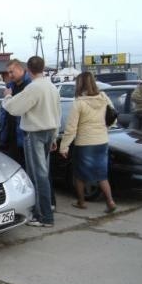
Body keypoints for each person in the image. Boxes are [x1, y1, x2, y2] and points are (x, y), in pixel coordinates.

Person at [2, 56, 61, 228]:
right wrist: (55, 135)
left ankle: (44, 217)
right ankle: (44, 208)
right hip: (49, 131)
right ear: (43, 68)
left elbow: (14, 109)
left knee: (37, 175)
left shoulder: (33, 88)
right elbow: (57, 113)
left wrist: (7, 97)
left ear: (28, 69)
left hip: (35, 133)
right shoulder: (51, 87)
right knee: (43, 173)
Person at [59, 72, 117, 213]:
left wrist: (64, 146)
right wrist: (104, 128)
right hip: (102, 141)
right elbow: (113, 117)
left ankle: (81, 201)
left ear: (79, 85)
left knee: (79, 174)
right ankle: (110, 201)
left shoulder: (79, 103)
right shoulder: (104, 98)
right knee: (101, 174)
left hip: (85, 143)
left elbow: (71, 128)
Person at [0, 59, 32, 167]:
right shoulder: (10, 87)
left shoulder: (31, 86)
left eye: (11, 72)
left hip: (26, 138)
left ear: (21, 69)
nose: (9, 75)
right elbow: (4, 110)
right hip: (11, 136)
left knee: (29, 171)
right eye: (8, 72)